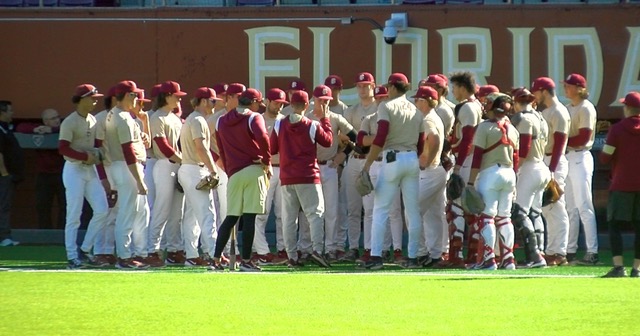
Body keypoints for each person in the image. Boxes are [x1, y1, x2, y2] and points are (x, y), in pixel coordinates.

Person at [361, 73, 425, 270]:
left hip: (392, 158)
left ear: (393, 87)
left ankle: (376, 256)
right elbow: (421, 142)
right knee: (412, 211)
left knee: (380, 209)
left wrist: (367, 165)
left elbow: (380, 137)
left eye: (388, 86)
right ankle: (413, 257)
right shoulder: (416, 111)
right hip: (412, 158)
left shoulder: (386, 106)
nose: (387, 90)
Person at [269, 90, 333, 268]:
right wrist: (325, 120)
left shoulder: (279, 124)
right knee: (315, 215)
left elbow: (272, 148)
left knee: (289, 219)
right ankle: (318, 251)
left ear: (290, 104)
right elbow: (328, 141)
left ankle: (292, 256)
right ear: (307, 105)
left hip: (287, 177)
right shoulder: (311, 125)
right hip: (308, 176)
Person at [212, 88, 271, 272]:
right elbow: (263, 138)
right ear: (252, 102)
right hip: (253, 169)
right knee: (250, 217)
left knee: (231, 218)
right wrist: (267, 161)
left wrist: (229, 168)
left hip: (234, 172)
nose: (259, 107)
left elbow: (220, 147)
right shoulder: (254, 117)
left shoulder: (221, 120)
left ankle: (215, 260)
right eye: (258, 104)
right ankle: (246, 260)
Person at [300, 85, 356, 262]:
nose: (323, 104)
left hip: (330, 166)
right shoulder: (306, 118)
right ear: (313, 100)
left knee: (331, 210)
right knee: (309, 210)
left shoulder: (335, 118)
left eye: (326, 101)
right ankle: (306, 248)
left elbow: (355, 137)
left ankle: (330, 248)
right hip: (310, 167)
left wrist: (343, 154)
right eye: (320, 100)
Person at [58, 84, 109, 269]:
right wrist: (85, 156)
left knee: (102, 209)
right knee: (74, 214)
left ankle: (86, 249)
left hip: (90, 169)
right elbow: (63, 148)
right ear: (81, 99)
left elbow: (96, 144)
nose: (95, 101)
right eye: (92, 98)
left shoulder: (93, 120)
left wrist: (98, 154)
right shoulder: (70, 121)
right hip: (73, 169)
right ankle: (72, 256)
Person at [467, 93, 519, 270]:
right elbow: (516, 158)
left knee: (487, 217)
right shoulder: (513, 129)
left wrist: (470, 182)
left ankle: (488, 259)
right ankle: (508, 258)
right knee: (505, 218)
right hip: (509, 173)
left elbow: (477, 157)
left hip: (490, 172)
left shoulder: (484, 127)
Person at [103, 80, 150, 269]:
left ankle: (129, 254)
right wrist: (139, 180)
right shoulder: (121, 116)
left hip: (122, 166)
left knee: (132, 212)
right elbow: (128, 151)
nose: (137, 98)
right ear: (126, 96)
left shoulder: (120, 115)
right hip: (126, 167)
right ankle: (124, 256)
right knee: (126, 213)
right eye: (134, 95)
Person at [356, 85, 403, 266]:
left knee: (394, 210)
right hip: (374, 163)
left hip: (391, 162)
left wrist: (375, 139)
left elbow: (372, 140)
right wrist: (381, 139)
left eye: (385, 97)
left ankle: (396, 249)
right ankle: (370, 248)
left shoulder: (396, 118)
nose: (382, 101)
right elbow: (361, 140)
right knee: (369, 210)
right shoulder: (369, 118)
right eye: (379, 98)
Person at [440, 71, 483, 268]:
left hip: (467, 160)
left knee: (456, 208)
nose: (453, 91)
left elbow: (467, 139)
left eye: (455, 87)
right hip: (472, 160)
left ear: (463, 88)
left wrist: (458, 165)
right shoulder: (475, 105)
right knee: (471, 210)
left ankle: (456, 256)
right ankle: (473, 255)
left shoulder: (467, 108)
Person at [531, 76, 571, 266]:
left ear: (544, 91)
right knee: (547, 208)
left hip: (554, 161)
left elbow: (560, 143)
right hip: (545, 159)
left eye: (536, 92)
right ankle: (552, 250)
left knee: (556, 207)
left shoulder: (559, 111)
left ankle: (559, 252)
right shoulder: (548, 111)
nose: (535, 96)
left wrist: (552, 170)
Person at [179, 87, 220, 267]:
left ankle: (192, 254)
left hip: (188, 168)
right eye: (212, 101)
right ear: (203, 101)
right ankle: (213, 254)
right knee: (207, 214)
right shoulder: (198, 120)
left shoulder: (192, 119)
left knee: (192, 215)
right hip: (195, 169)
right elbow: (201, 147)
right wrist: (213, 170)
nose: (215, 104)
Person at [600, 92, 640, 277]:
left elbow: (605, 157)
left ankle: (618, 267)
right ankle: (637, 268)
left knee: (614, 223)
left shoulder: (616, 129)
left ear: (627, 108)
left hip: (621, 183)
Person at [510, 87, 549, 268]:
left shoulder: (525, 119)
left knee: (520, 212)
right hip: (541, 166)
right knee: (535, 212)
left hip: (529, 167)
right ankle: (539, 251)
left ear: (516, 102)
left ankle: (534, 256)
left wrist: (514, 169)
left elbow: (524, 149)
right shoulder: (541, 118)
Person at [563, 73, 599, 265]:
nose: (566, 88)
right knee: (570, 208)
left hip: (580, 156)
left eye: (569, 86)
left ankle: (592, 252)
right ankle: (570, 251)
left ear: (579, 88)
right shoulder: (568, 108)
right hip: (568, 157)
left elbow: (584, 137)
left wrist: (561, 142)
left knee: (584, 206)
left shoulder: (586, 108)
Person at [147, 81, 185, 267]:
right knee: (161, 209)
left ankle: (174, 249)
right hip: (164, 165)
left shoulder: (175, 118)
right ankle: (152, 249)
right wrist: (184, 161)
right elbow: (163, 146)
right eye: (176, 96)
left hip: (178, 165)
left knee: (177, 213)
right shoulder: (156, 118)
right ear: (167, 96)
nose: (179, 99)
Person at [342, 72, 378, 261]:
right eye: (360, 86)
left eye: (366, 85)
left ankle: (371, 247)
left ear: (373, 86)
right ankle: (354, 247)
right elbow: (345, 139)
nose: (363, 89)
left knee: (371, 208)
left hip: (370, 160)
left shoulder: (378, 108)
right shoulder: (351, 111)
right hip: (354, 158)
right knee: (353, 207)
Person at [252, 88, 288, 265]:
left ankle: (283, 249)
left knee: (284, 213)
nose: (279, 106)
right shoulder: (257, 119)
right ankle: (261, 250)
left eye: (282, 104)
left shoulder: (285, 121)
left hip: (283, 169)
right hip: (263, 169)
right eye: (276, 102)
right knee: (261, 212)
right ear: (267, 101)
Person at [412, 86, 447, 268]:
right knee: (432, 214)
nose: (415, 102)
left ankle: (419, 253)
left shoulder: (426, 119)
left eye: (417, 100)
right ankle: (434, 254)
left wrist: (427, 160)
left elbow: (434, 139)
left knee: (413, 210)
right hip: (436, 170)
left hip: (429, 171)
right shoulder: (434, 117)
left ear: (424, 101)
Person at [15, 108, 66, 230]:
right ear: (45, 121)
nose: (57, 120)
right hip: (44, 176)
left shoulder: (64, 128)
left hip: (62, 175)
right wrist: (35, 130)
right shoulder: (40, 129)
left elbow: (66, 128)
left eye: (57, 117)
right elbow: (20, 127)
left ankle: (61, 235)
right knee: (43, 206)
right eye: (53, 118)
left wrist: (52, 130)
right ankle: (45, 234)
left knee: (65, 206)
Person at [0, 100, 24, 247]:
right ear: (2, 112)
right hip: (3, 176)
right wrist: (4, 173)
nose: (12, 113)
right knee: (3, 206)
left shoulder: (6, 128)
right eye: (9, 110)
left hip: (9, 175)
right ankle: (4, 237)